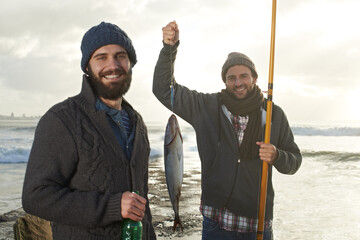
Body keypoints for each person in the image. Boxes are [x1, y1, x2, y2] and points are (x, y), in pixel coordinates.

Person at [153, 21, 302, 240]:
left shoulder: (273, 114)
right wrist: (169, 49)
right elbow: (164, 90)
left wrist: (278, 156)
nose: (238, 82)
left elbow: (295, 161)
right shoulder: (207, 107)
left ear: (254, 78)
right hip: (216, 223)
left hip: (257, 224)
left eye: (244, 76)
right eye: (231, 77)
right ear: (225, 81)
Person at [22, 21, 156, 239]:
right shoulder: (62, 119)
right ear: (87, 66)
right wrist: (112, 206)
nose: (113, 65)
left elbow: (142, 204)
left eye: (120, 56)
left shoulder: (137, 122)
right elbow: (35, 197)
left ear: (130, 63)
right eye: (101, 57)